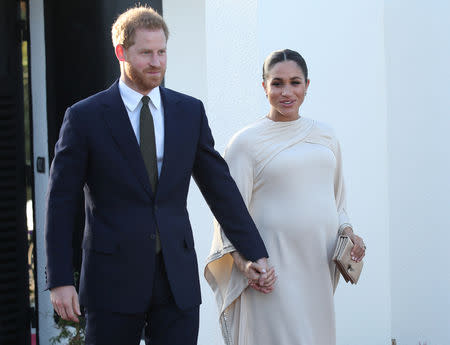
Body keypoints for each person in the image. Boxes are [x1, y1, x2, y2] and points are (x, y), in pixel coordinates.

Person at [45, 6, 273, 345]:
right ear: (121, 52)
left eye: (162, 52)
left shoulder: (189, 111)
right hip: (112, 281)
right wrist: (60, 279)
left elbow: (219, 187)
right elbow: (61, 201)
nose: (156, 62)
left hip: (176, 279)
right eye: (146, 53)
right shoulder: (84, 117)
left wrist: (254, 251)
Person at [205, 49, 366, 345]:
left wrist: (349, 233)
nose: (286, 92)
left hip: (317, 265)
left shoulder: (326, 135)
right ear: (264, 86)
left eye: (295, 82)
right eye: (277, 83)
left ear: (307, 85)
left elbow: (337, 201)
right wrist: (245, 265)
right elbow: (228, 214)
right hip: (272, 269)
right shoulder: (245, 143)